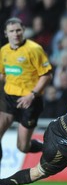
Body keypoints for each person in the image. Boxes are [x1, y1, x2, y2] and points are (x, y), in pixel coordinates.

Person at [0, 17, 52, 172]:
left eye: (18, 30)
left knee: (23, 147)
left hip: (30, 100)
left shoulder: (34, 49)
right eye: (12, 31)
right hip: (9, 98)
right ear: (6, 33)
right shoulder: (3, 51)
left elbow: (47, 75)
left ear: (23, 31)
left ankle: (47, 147)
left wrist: (32, 94)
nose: (15, 34)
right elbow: (3, 74)